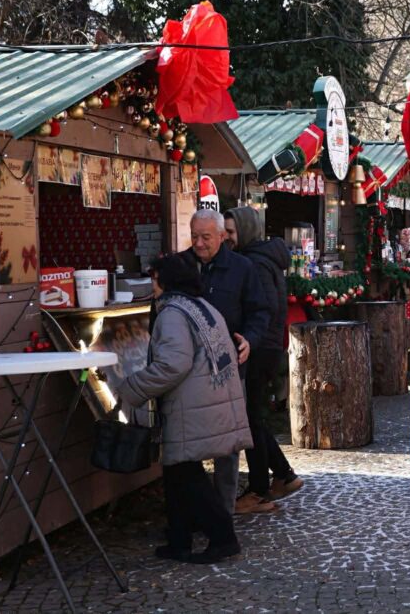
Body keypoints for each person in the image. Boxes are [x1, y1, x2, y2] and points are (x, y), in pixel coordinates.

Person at [115, 254, 251, 564]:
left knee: (186, 473)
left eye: (154, 278)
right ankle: (179, 540)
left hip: (192, 406)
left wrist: (131, 388)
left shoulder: (172, 313)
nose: (152, 284)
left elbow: (172, 365)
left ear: (165, 281)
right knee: (176, 471)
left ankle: (223, 537)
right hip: (210, 401)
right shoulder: (201, 305)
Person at [182, 209, 271, 517]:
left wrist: (250, 338)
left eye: (206, 237)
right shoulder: (182, 265)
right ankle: (192, 509)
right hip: (189, 369)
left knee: (228, 442)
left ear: (222, 236)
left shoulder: (242, 268)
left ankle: (223, 511)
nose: (199, 243)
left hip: (229, 367)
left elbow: (260, 312)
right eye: (195, 236)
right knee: (189, 437)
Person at [224, 208, 303, 513]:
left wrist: (252, 339)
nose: (227, 238)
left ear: (245, 230)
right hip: (264, 346)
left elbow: (264, 309)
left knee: (251, 419)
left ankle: (258, 492)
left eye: (231, 232)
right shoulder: (260, 257)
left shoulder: (253, 263)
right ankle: (283, 475)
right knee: (252, 416)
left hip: (259, 348)